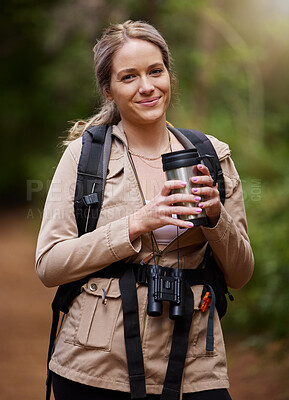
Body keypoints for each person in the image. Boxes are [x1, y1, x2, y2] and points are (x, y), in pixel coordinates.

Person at [36, 20, 254, 400]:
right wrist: (134, 225)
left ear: (169, 74)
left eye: (156, 71)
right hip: (97, 365)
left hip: (195, 365)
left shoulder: (211, 157)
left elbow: (240, 273)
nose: (148, 86)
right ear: (109, 89)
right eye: (129, 76)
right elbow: (49, 264)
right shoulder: (84, 158)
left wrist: (217, 218)